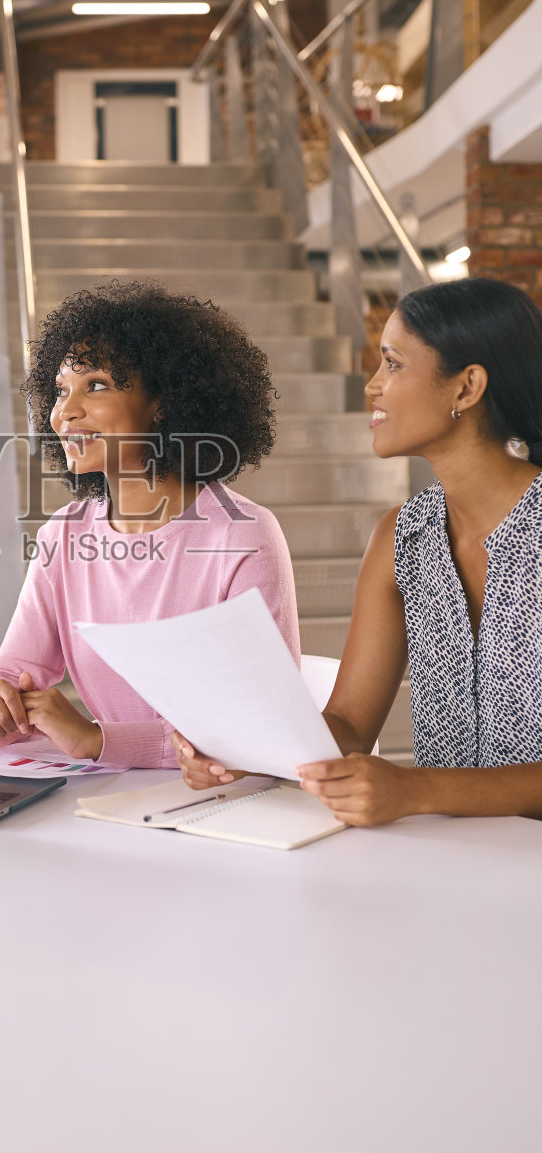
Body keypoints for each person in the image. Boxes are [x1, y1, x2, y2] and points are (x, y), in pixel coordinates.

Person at [176, 275, 542, 824]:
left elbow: (411, 788)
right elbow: (347, 725)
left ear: (466, 388)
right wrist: (246, 751)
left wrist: (417, 792)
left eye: (392, 364)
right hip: (452, 864)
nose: (371, 386)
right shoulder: (401, 537)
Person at [0, 280, 299, 768]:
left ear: (162, 401)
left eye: (95, 385)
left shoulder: (241, 535)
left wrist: (100, 742)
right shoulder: (63, 534)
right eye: (60, 391)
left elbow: (264, 721)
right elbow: (18, 669)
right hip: (112, 799)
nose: (65, 413)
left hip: (226, 806)